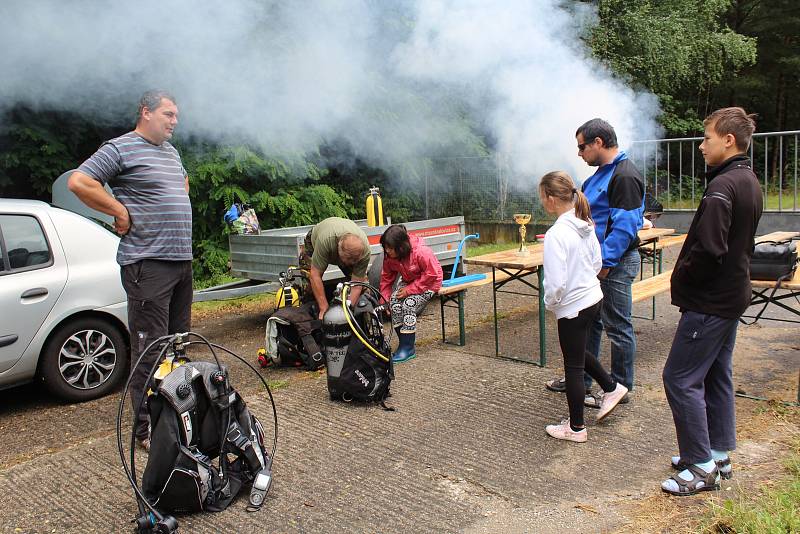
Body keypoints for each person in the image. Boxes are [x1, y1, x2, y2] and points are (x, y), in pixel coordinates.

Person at [67, 90, 191, 453]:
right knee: (149, 349)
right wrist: (119, 212)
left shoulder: (171, 152)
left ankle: (176, 413)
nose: (174, 121)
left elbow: (181, 186)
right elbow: (80, 181)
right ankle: (144, 430)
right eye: (168, 114)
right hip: (147, 264)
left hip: (180, 262)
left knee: (177, 344)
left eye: (176, 116)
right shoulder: (120, 148)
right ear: (146, 112)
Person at [661, 107, 762, 496]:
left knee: (679, 378)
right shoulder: (748, 179)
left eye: (706, 138)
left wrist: (683, 278)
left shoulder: (722, 187)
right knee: (716, 373)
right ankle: (718, 453)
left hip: (710, 301)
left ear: (728, 140)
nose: (702, 146)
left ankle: (701, 466)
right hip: (732, 295)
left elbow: (709, 250)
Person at [545, 119, 644, 410]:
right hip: (597, 264)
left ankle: (620, 387)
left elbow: (624, 227)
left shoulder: (624, 176)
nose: (579, 154)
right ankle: (582, 379)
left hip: (614, 264)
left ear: (598, 142)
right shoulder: (601, 174)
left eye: (582, 147)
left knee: (618, 326)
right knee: (590, 326)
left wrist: (605, 264)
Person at [539, 171, 628, 442]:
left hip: (573, 306)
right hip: (593, 298)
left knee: (573, 366)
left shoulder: (556, 234)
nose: (542, 202)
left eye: (542, 197)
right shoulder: (585, 223)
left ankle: (576, 428)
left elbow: (555, 282)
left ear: (552, 199)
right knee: (577, 353)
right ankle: (612, 388)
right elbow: (597, 263)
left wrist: (550, 303)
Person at [379, 224, 443, 363]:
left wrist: (409, 290)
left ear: (401, 246)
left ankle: (408, 349)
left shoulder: (421, 252)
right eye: (385, 247)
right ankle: (404, 344)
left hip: (430, 282)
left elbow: (431, 275)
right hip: (409, 280)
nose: (387, 251)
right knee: (394, 303)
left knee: (408, 304)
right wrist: (385, 301)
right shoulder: (389, 256)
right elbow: (386, 278)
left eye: (390, 248)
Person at [300, 217, 371, 319]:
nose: (348, 264)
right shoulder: (326, 241)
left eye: (352, 262)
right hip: (315, 239)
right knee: (309, 285)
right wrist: (324, 308)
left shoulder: (364, 252)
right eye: (346, 261)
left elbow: (356, 286)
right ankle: (309, 318)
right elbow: (315, 275)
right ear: (338, 250)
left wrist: (347, 310)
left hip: (344, 242)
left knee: (364, 286)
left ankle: (363, 320)